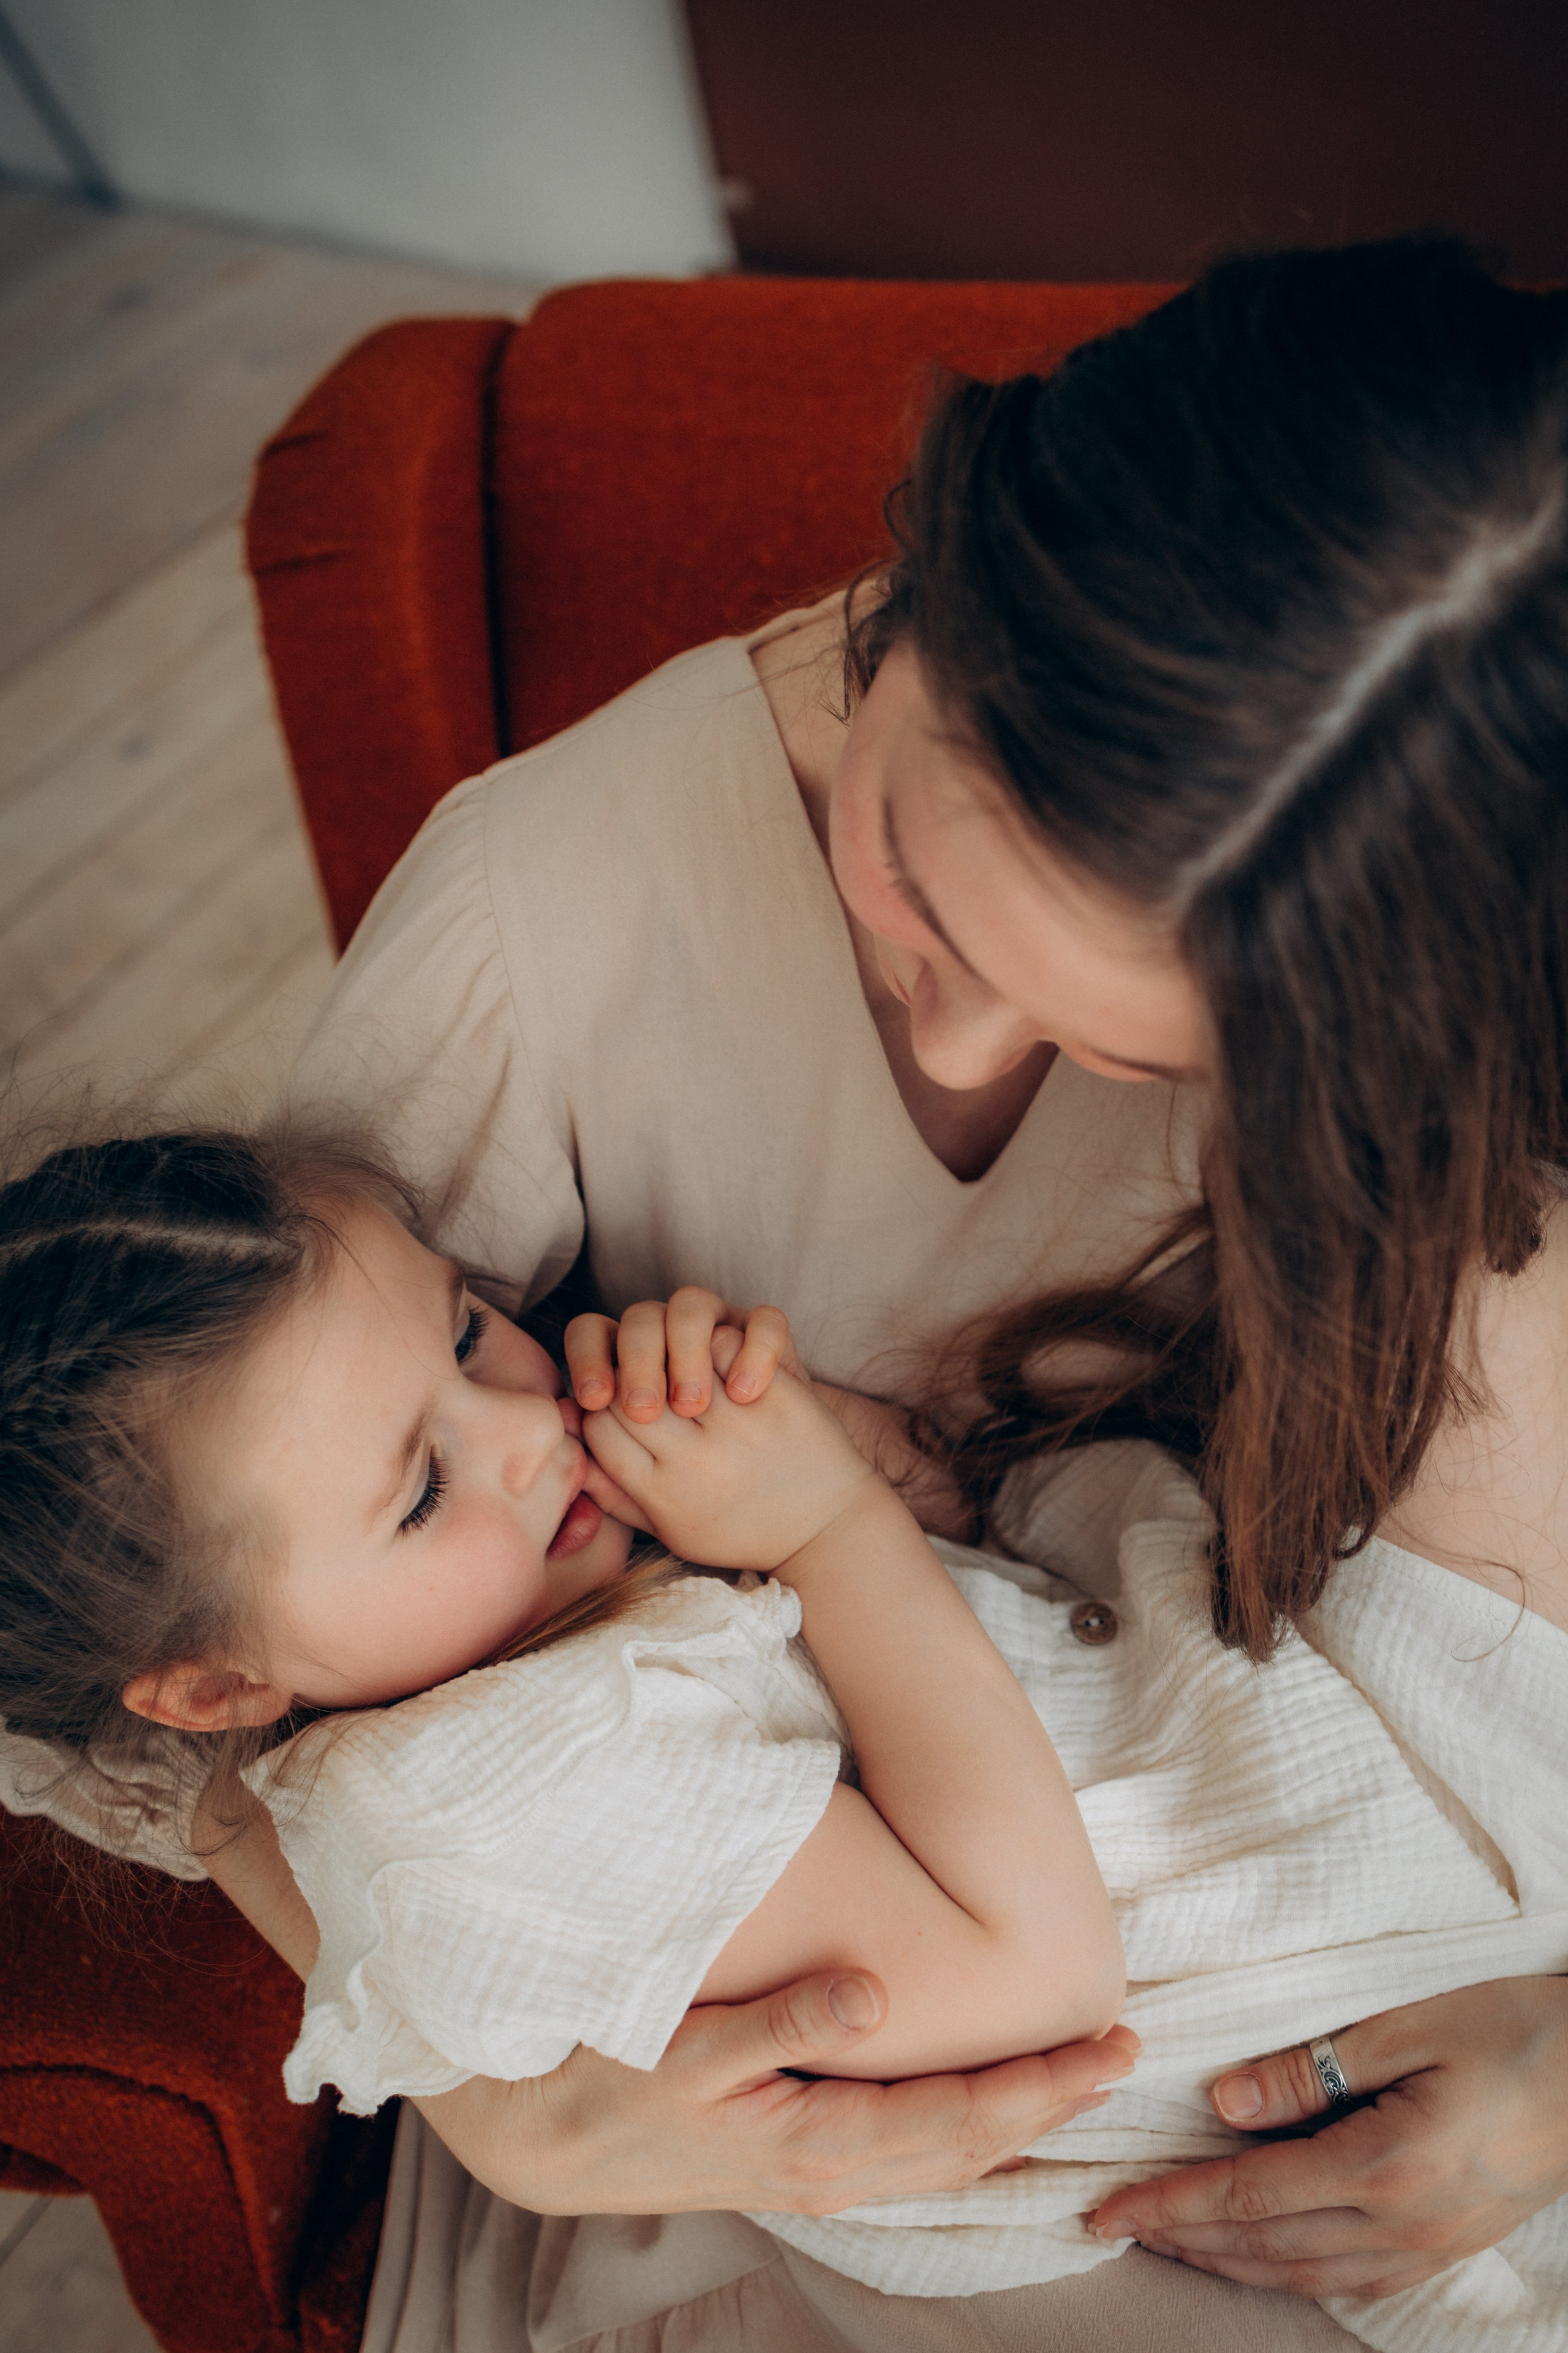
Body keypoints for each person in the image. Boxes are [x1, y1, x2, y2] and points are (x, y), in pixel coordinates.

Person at [13, 232, 1568, 2349]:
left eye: (1145, 1045)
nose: (957, 1044)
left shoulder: (1477, 1011)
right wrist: (520, 2109)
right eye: (928, 883)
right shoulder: (538, 911)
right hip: (776, 2075)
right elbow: (142, 1613)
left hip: (1301, 1919)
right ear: (948, 567)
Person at [1, 1123, 1560, 2353]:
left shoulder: (518, 1598)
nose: (528, 1425)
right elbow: (1034, 1979)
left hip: (1215, 1779)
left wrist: (822, 1445)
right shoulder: (497, 1792)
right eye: (418, 1490)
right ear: (214, 1686)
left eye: (468, 1329)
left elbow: (951, 1562)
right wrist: (823, 1525)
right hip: (1229, 2023)